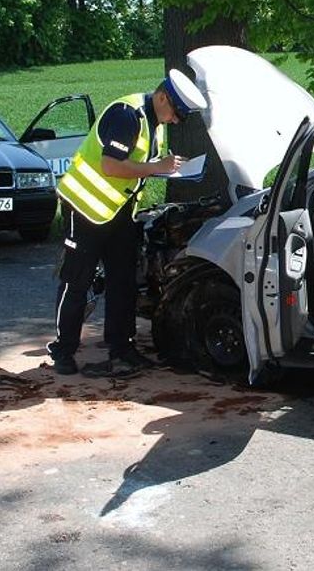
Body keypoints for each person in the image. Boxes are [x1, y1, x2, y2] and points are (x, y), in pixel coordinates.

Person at [48, 69, 207, 377]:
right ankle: (63, 351)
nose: (175, 121)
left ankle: (122, 349)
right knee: (76, 281)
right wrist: (154, 167)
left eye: (180, 118)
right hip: (83, 209)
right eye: (175, 113)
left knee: (123, 281)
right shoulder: (127, 114)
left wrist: (164, 168)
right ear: (162, 96)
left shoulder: (153, 121)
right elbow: (110, 165)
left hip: (118, 212)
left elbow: (138, 166)